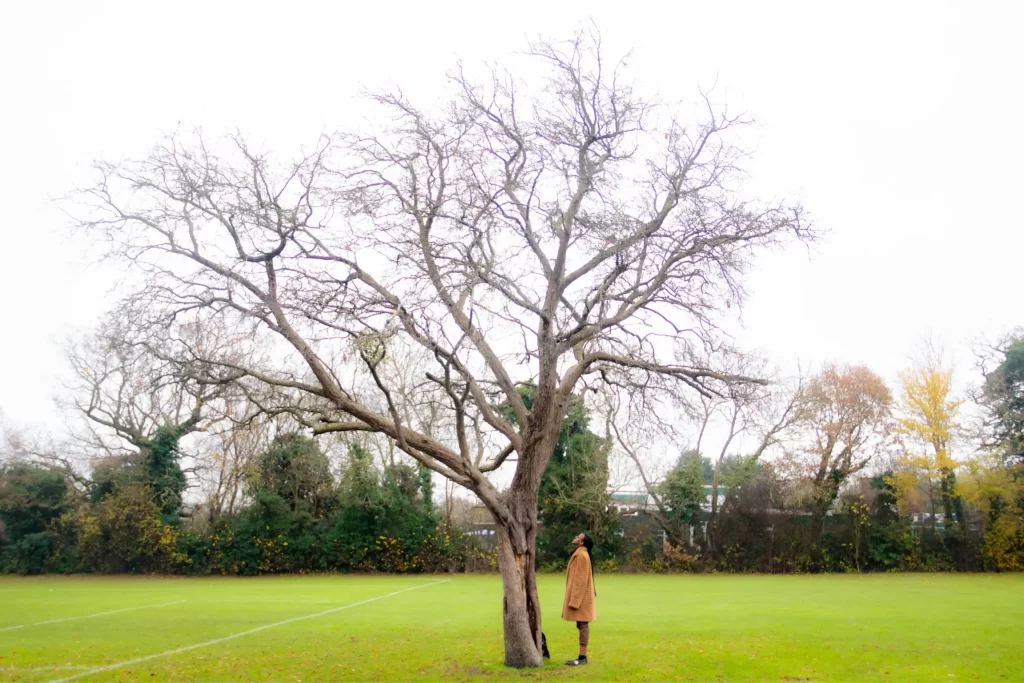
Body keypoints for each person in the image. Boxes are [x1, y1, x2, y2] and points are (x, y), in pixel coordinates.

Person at [561, 532, 596, 666]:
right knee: (581, 624)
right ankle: (582, 656)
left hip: (582, 598)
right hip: (582, 597)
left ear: (581, 543)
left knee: (583, 625)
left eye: (578, 537)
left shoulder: (581, 555)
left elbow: (580, 580)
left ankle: (582, 658)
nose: (575, 536)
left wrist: (574, 601)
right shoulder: (580, 553)